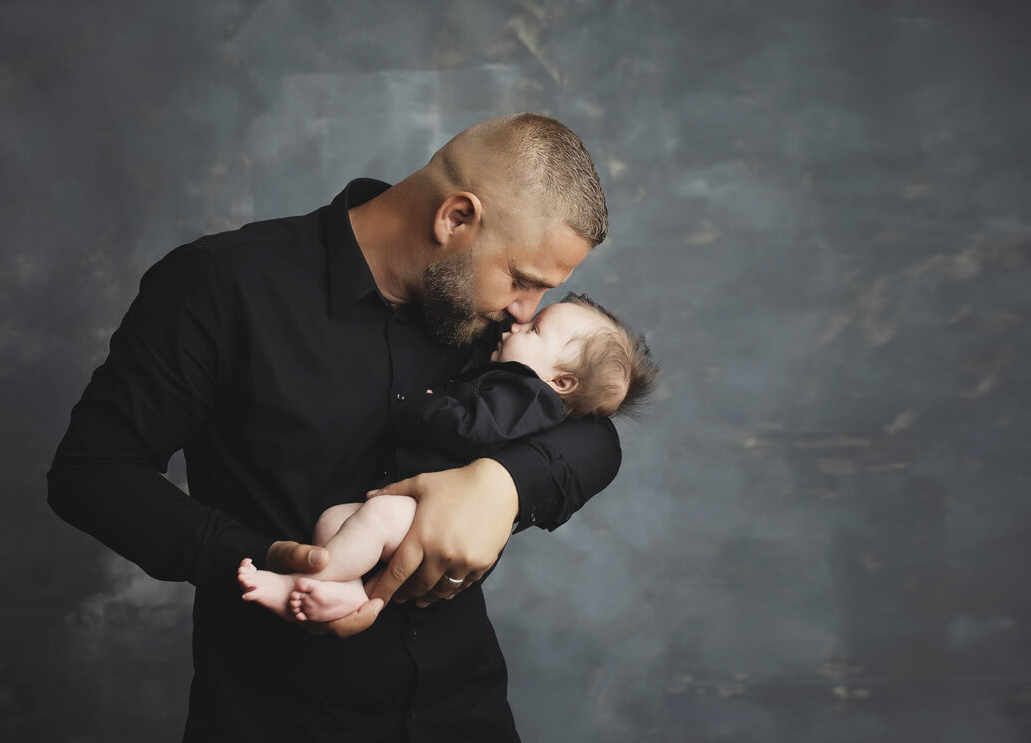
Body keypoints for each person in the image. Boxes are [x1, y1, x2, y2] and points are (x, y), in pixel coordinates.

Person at [47, 113, 622, 742]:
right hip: (277, 718)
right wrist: (260, 557)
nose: (524, 312)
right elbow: (93, 473)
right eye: (522, 281)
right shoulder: (220, 284)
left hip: (466, 713)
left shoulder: (497, 326)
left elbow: (596, 431)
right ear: (456, 218)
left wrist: (502, 485)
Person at [236, 293, 659, 623]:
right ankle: (348, 591)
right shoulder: (511, 382)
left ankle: (303, 583)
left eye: (533, 330)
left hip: (427, 510)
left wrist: (426, 407)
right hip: (408, 501)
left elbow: (475, 428)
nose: (517, 324)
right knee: (333, 522)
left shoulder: (526, 394)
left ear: (560, 381)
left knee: (374, 520)